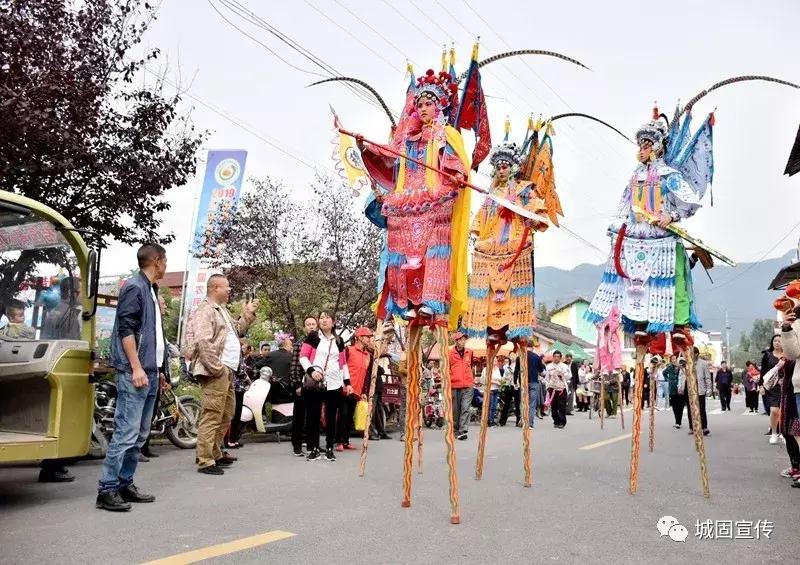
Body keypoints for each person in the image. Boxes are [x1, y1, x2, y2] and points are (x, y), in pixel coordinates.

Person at [96, 243, 167, 512]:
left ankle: (125, 483)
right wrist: (136, 367)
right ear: (157, 261)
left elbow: (155, 336)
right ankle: (107, 489)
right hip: (134, 372)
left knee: (139, 435)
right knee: (126, 433)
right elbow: (126, 330)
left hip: (150, 371)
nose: (165, 266)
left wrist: (160, 371)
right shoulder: (134, 287)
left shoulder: (150, 289)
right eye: (165, 261)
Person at [186, 274, 258, 475]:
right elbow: (203, 341)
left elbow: (239, 331)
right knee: (212, 414)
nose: (229, 290)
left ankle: (216, 453)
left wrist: (248, 313)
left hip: (227, 370)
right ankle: (205, 460)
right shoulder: (205, 310)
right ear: (215, 288)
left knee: (226, 414)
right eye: (226, 287)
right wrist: (217, 368)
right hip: (217, 370)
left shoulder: (222, 311)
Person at [299, 312, 350, 462]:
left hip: (334, 383)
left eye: (327, 317)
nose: (323, 320)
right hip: (315, 382)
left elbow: (343, 363)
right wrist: (311, 371)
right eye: (321, 318)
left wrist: (347, 383)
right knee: (313, 416)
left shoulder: (339, 341)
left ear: (333, 322)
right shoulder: (313, 337)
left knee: (331, 416)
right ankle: (314, 448)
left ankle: (329, 448)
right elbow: (303, 356)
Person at [341, 326, 375, 452]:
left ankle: (345, 441)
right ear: (359, 338)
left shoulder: (368, 355)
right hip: (345, 388)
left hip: (358, 390)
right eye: (367, 337)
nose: (369, 339)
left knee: (350, 416)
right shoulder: (348, 350)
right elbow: (341, 368)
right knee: (343, 415)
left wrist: (364, 392)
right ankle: (339, 441)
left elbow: (366, 376)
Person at [289, 316, 318, 456]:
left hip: (317, 385)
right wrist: (297, 385)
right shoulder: (299, 344)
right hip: (302, 384)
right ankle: (297, 445)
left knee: (313, 416)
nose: (311, 326)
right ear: (304, 327)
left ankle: (312, 445)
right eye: (308, 324)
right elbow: (294, 367)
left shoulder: (321, 343)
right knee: (299, 416)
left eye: (313, 324)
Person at [779, 306, 800, 485]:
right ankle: (796, 466)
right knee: (791, 431)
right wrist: (787, 329)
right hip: (791, 391)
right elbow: (793, 352)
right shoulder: (795, 328)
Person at [224, 340, 253, 450]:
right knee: (234, 415)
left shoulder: (235, 352)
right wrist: (248, 381)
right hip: (236, 387)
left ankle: (233, 440)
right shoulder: (236, 351)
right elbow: (240, 370)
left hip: (236, 386)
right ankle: (230, 440)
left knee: (236, 414)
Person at [448, 331, 474, 440]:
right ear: (456, 341)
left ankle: (463, 430)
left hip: (468, 385)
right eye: (461, 340)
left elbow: (471, 365)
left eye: (464, 340)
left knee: (465, 408)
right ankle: (456, 429)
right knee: (456, 410)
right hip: (455, 385)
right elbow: (446, 368)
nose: (463, 342)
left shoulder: (470, 352)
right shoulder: (450, 354)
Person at [761, 335, 784, 443]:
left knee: (784, 411)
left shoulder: (787, 355)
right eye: (775, 341)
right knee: (774, 410)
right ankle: (774, 433)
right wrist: (761, 386)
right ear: (772, 342)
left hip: (786, 386)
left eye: (779, 341)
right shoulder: (767, 355)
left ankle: (783, 433)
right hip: (772, 387)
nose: (777, 343)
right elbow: (763, 372)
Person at [513, 348, 544, 428]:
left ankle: (523, 421)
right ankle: (530, 424)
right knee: (532, 404)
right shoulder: (537, 357)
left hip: (523, 382)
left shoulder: (520, 357)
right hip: (533, 382)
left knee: (523, 402)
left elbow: (516, 370)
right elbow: (541, 370)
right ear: (532, 347)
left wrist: (515, 381)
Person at [686, 347, 711, 436]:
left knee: (701, 408)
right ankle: (692, 427)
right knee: (690, 409)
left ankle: (704, 427)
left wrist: (709, 389)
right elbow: (682, 375)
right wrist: (680, 387)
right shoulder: (687, 362)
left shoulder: (703, 363)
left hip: (700, 389)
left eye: (692, 353)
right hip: (690, 389)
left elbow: (707, 377)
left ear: (696, 354)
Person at [545, 350, 570, 429]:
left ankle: (562, 422)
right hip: (552, 389)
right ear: (553, 357)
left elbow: (568, 376)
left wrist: (562, 375)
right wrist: (548, 386)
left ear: (560, 358)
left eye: (558, 357)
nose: (556, 358)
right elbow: (546, 378)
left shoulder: (564, 366)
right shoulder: (549, 367)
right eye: (555, 356)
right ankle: (556, 421)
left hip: (562, 389)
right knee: (554, 407)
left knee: (562, 406)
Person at [479, 355, 503, 427]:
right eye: (494, 360)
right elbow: (486, 380)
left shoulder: (497, 369)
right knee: (490, 406)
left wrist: (501, 382)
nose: (495, 362)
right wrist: (496, 382)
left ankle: (492, 420)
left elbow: (499, 378)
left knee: (494, 406)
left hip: (496, 389)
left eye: (496, 360)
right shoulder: (486, 369)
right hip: (490, 389)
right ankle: (489, 421)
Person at [499, 353, 522, 427]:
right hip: (508, 385)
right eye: (511, 355)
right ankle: (502, 421)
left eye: (514, 355)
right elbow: (504, 376)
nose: (512, 357)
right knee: (506, 404)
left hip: (516, 385)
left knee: (517, 403)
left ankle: (518, 421)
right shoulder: (506, 366)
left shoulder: (519, 365)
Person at [665, 356, 685, 428]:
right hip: (673, 389)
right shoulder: (669, 367)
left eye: (675, 359)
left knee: (680, 406)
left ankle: (679, 422)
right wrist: (668, 380)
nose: (674, 360)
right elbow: (664, 373)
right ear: (671, 361)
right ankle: (677, 422)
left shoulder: (682, 367)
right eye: (672, 359)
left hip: (681, 389)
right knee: (674, 406)